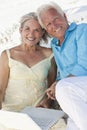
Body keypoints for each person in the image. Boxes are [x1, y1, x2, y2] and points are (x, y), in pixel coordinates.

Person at [37, 2, 87, 130]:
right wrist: (54, 88)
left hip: (82, 84)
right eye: (48, 24)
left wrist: (60, 84)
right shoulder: (55, 44)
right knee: (72, 125)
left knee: (63, 87)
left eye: (56, 19)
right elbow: (62, 73)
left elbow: (84, 64)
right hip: (75, 91)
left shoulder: (82, 30)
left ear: (64, 16)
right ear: (46, 29)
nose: (54, 25)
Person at [0, 12, 57, 112]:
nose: (31, 34)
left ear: (42, 33)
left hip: (39, 110)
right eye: (27, 29)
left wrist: (47, 102)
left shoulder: (50, 55)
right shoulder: (8, 55)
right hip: (12, 111)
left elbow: (51, 87)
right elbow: (1, 88)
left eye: (36, 30)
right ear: (20, 30)